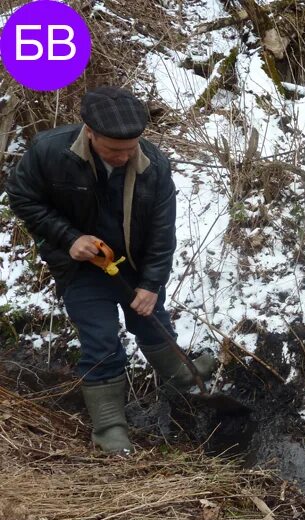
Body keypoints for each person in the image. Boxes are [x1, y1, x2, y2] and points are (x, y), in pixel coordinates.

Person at [6, 86, 213, 456]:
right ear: (89, 132)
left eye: (131, 147)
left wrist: (151, 285)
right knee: (101, 340)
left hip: (133, 263)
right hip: (80, 267)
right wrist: (69, 238)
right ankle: (109, 427)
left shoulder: (154, 166)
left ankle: (183, 376)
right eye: (114, 150)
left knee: (151, 321)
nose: (124, 156)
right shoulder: (49, 151)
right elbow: (22, 196)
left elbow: (163, 233)